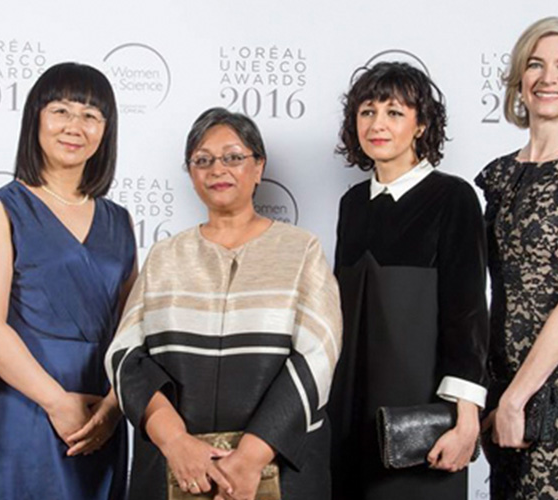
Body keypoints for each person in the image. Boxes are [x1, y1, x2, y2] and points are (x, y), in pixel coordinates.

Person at [105, 107, 342, 500]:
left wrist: (250, 458)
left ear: (259, 167)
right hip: (176, 469)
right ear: (191, 173)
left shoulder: (301, 250)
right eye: (203, 160)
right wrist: (175, 440)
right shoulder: (166, 255)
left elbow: (319, 354)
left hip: (279, 469)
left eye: (233, 157)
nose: (218, 169)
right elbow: (125, 355)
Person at [0, 62, 135, 500]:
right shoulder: (1, 208)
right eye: (61, 110)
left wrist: (114, 406)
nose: (75, 126)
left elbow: (132, 329)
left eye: (91, 115)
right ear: (35, 118)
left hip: (102, 412)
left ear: (106, 130)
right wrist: (57, 402)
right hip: (25, 405)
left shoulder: (119, 221)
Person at [327, 62, 489, 500]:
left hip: (419, 415)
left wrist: (466, 418)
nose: (377, 124)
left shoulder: (452, 197)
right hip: (350, 411)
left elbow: (468, 312)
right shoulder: (352, 204)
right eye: (367, 111)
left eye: (394, 112)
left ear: (421, 125)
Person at [476, 17, 558, 499]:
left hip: (543, 390)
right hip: (501, 390)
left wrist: (517, 396)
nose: (548, 78)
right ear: (519, 80)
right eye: (536, 64)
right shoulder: (500, 176)